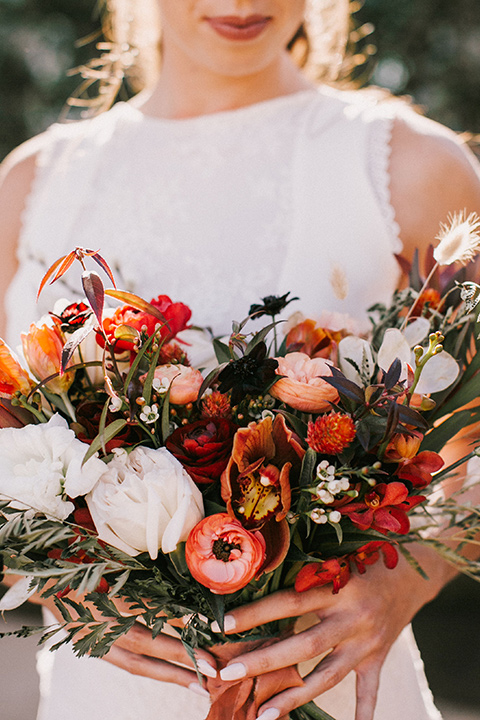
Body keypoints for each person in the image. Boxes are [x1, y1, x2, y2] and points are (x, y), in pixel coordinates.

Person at [0, 1, 479, 719]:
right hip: (110, 691)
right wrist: (49, 576)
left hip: (333, 683)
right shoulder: (35, 184)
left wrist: (410, 579)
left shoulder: (412, 166)